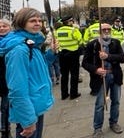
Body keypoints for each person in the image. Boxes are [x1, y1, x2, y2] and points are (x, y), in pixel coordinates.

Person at [0, 8, 57, 138]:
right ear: (21, 23)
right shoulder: (20, 49)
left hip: (36, 105)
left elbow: (40, 68)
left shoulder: (32, 43)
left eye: (39, 20)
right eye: (32, 21)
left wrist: (51, 53)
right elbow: (17, 89)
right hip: (29, 110)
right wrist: (28, 121)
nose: (37, 23)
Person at [82, 23, 124, 137]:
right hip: (101, 78)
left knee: (116, 101)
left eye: (108, 29)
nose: (106, 31)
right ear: (99, 32)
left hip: (115, 76)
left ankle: (114, 123)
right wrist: (96, 70)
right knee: (100, 104)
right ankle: (97, 128)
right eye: (104, 29)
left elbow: (122, 58)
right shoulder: (93, 45)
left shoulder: (115, 42)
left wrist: (108, 57)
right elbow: (85, 63)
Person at [55, 16, 83, 100]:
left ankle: (64, 94)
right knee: (74, 74)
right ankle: (73, 93)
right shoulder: (73, 30)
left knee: (64, 75)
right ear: (69, 22)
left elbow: (56, 41)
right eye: (71, 21)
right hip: (73, 54)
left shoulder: (57, 31)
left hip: (62, 54)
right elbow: (80, 40)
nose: (72, 22)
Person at [0, 19, 12, 138]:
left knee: (5, 107)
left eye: (5, 26)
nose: (2, 28)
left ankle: (5, 129)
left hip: (6, 79)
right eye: (0, 26)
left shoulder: (13, 42)